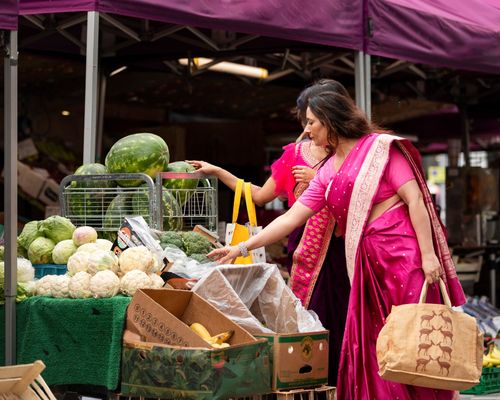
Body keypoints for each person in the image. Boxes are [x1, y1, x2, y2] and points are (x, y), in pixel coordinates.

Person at [208, 86, 466, 400]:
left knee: (414, 334)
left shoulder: (380, 149)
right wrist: (241, 247)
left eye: (312, 121)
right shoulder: (329, 170)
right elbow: (291, 219)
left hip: (404, 255)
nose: (306, 129)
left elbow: (414, 200)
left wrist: (428, 256)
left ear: (331, 120)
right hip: (366, 260)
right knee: (377, 339)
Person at [188, 80, 350, 385]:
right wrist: (219, 172)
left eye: (312, 120)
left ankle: (345, 380)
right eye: (306, 119)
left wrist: (320, 179)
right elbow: (261, 196)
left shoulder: (350, 153)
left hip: (342, 247)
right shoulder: (294, 154)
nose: (307, 127)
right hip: (303, 246)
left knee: (344, 312)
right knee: (306, 312)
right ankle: (312, 377)